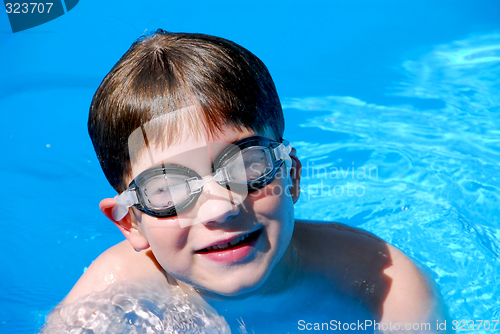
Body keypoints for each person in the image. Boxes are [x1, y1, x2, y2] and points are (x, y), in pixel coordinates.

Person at [44, 30, 449, 333]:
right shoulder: (105, 300)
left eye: (246, 166)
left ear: (290, 177)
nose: (221, 207)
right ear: (131, 222)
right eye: (167, 188)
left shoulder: (383, 287)